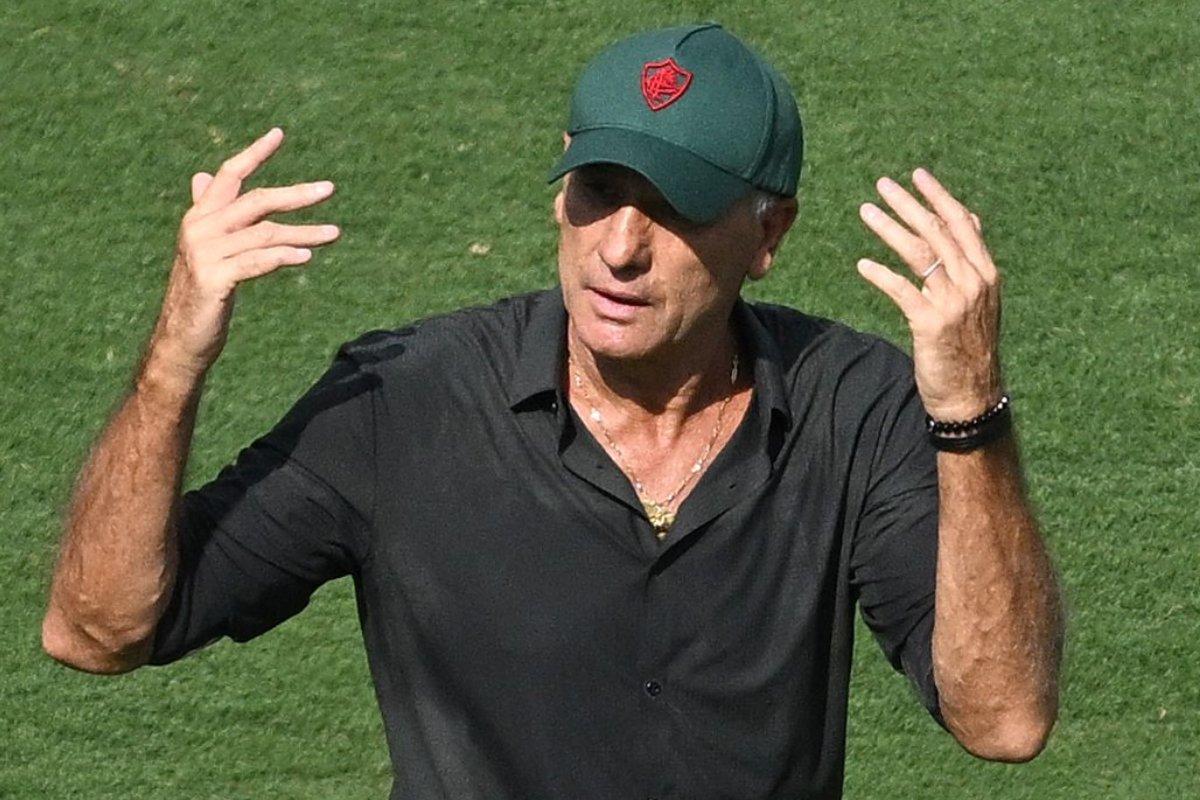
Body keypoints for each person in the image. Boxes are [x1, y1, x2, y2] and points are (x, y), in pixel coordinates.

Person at [43, 23, 1063, 800]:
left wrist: (968, 409)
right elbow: (98, 629)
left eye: (671, 207)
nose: (620, 247)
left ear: (768, 233)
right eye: (599, 189)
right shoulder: (406, 398)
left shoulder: (860, 405)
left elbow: (1006, 714)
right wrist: (176, 356)